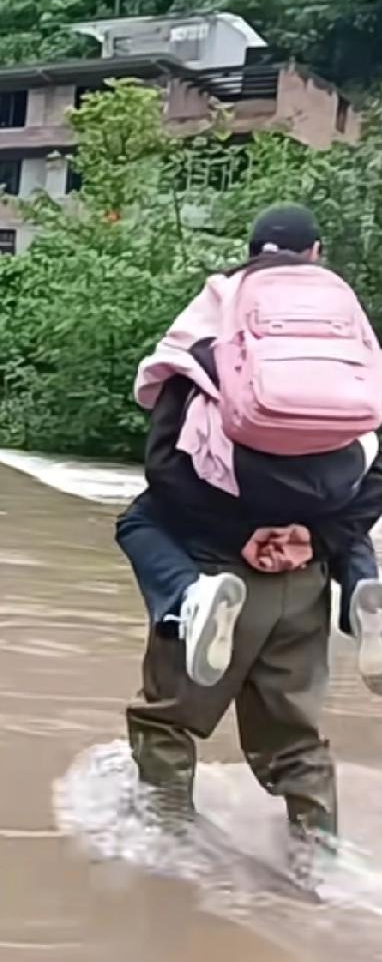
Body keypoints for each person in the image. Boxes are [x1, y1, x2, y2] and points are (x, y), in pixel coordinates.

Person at [117, 203, 382, 854]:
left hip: (220, 574)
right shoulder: (344, 336)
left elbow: (165, 466)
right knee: (295, 741)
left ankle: (166, 858)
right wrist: (317, 541)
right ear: (316, 253)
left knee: (168, 723)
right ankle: (320, 864)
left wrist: (238, 539)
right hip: (306, 580)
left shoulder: (217, 320)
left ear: (252, 252)